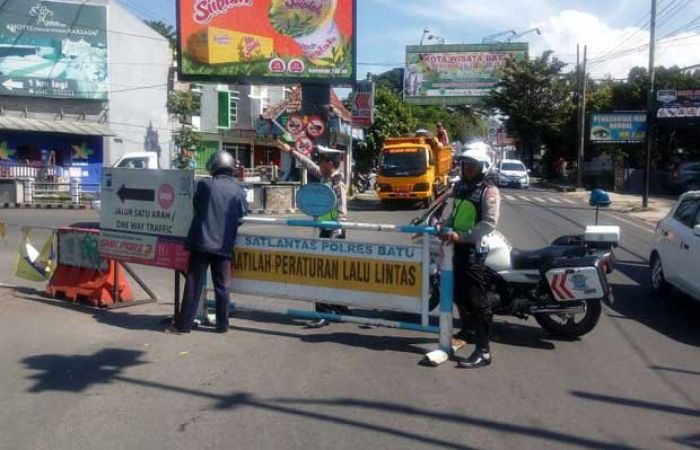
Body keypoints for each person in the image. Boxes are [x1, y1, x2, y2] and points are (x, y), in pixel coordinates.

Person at [167, 151, 248, 334]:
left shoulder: (204, 184)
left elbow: (197, 206)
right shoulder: (238, 189)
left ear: (213, 166)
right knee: (222, 286)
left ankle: (183, 325)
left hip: (201, 242)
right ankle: (222, 324)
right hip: (223, 245)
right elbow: (241, 216)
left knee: (193, 284)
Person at [275, 139, 349, 328]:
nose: (320, 164)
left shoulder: (337, 183)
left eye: (322, 161)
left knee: (323, 273)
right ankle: (338, 306)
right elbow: (308, 164)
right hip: (327, 230)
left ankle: (323, 313)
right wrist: (291, 150)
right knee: (332, 272)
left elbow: (342, 212)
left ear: (330, 164)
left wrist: (334, 235)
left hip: (333, 233)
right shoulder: (325, 178)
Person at [441, 148, 501, 368]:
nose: (467, 169)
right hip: (455, 247)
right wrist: (442, 227)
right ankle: (468, 331)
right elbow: (454, 214)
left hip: (473, 249)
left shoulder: (489, 191)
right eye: (465, 165)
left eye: (472, 166)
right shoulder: (461, 187)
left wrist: (462, 236)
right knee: (459, 295)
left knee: (478, 301)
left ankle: (484, 351)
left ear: (483, 167)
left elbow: (488, 223)